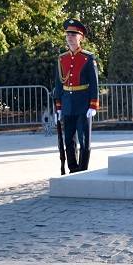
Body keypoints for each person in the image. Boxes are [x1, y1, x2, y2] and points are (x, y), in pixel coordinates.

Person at [52, 18, 100, 172]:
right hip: (67, 104)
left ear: (81, 37)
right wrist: (58, 107)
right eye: (68, 34)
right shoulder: (62, 59)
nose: (70, 37)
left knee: (84, 140)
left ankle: (83, 170)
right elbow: (59, 84)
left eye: (73, 34)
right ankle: (72, 170)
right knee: (68, 140)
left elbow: (94, 83)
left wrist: (93, 104)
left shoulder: (88, 58)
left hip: (83, 104)